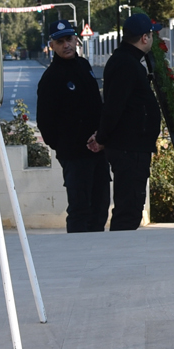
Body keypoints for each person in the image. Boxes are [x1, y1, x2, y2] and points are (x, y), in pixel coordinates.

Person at [91, 12, 164, 231]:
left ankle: (123, 244)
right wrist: (102, 137)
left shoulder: (129, 61)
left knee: (132, 204)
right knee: (128, 208)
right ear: (144, 38)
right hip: (129, 148)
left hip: (133, 146)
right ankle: (120, 247)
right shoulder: (125, 64)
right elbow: (114, 106)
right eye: (151, 35)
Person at [35, 19, 109, 232]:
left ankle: (96, 248)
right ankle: (78, 250)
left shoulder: (84, 66)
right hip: (74, 155)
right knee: (79, 209)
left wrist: (101, 135)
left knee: (100, 207)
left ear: (76, 39)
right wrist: (64, 147)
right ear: (52, 45)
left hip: (98, 151)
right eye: (60, 42)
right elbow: (45, 121)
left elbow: (96, 105)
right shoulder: (51, 78)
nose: (66, 45)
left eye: (69, 39)